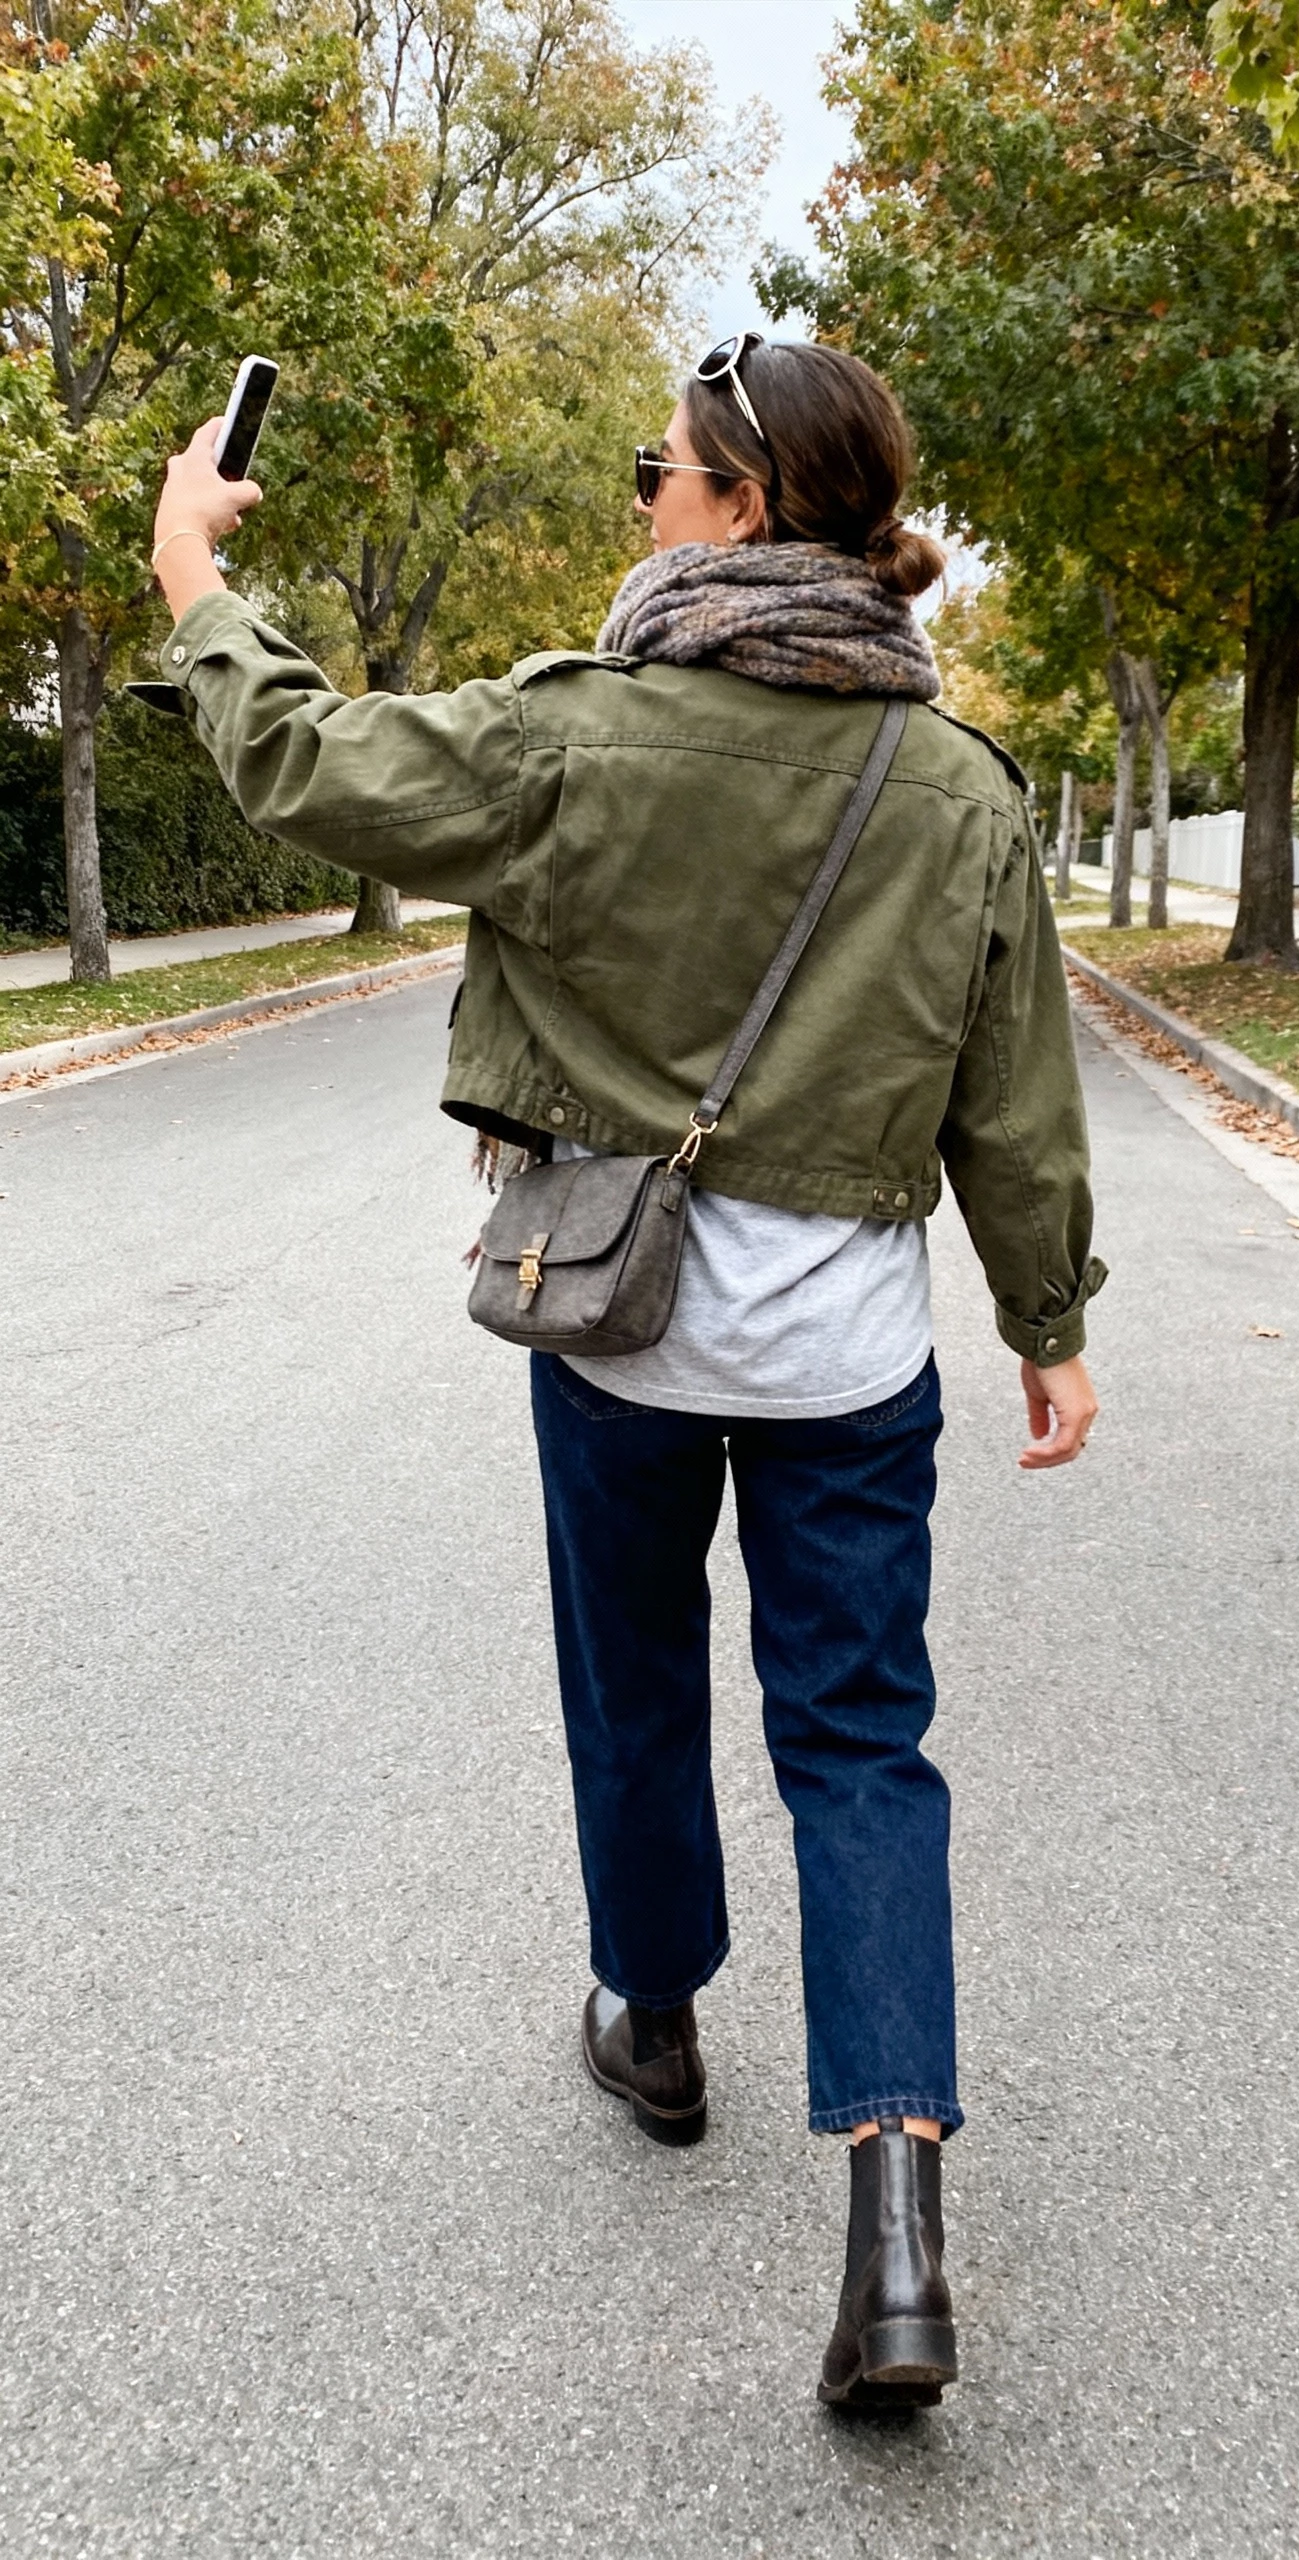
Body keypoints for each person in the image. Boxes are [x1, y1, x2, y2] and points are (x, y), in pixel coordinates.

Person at [148, 332, 1104, 2410]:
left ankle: (657, 2019)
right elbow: (1013, 1097)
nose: (642, 504)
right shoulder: (957, 783)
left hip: (621, 1319)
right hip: (850, 1350)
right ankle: (899, 2224)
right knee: (862, 1741)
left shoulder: (578, 734)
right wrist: (1050, 1316)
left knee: (637, 1677)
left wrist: (197, 588)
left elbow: (321, 762)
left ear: (746, 506)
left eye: (658, 473)